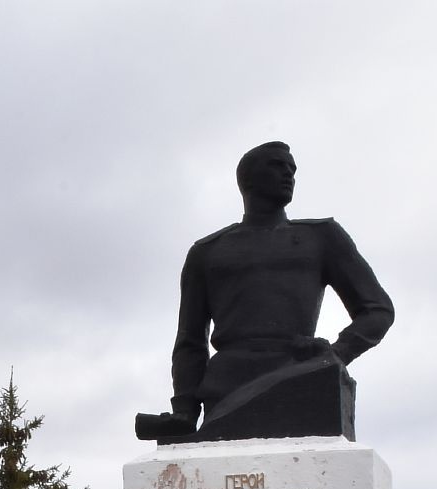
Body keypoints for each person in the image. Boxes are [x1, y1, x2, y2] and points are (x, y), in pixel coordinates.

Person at [140, 140, 395, 439]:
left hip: (300, 371)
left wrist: (338, 353)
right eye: (277, 166)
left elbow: (377, 309)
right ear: (246, 178)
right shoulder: (208, 252)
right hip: (227, 384)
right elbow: (190, 341)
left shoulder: (321, 237)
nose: (289, 175)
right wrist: (185, 410)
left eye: (292, 169)